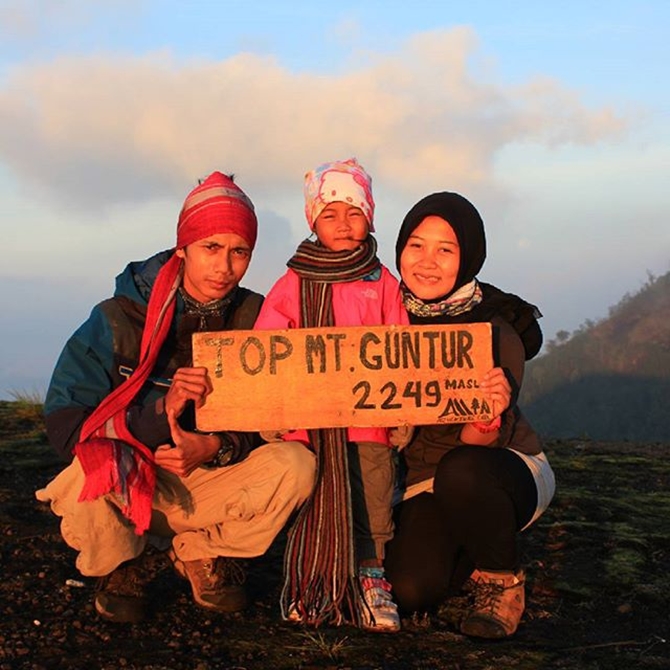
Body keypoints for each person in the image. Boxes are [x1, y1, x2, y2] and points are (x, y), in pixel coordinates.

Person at [36, 172, 317, 624]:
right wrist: (157, 417)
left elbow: (276, 415)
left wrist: (217, 446)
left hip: (210, 484)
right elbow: (66, 426)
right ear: (183, 246)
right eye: (210, 248)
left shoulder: (254, 317)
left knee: (297, 465)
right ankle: (124, 565)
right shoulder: (118, 318)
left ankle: (199, 553)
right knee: (80, 472)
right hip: (135, 480)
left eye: (239, 251)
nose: (224, 267)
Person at [385, 191, 555, 639]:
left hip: (495, 468)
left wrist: (486, 417)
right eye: (416, 245)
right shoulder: (381, 316)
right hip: (419, 483)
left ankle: (501, 580)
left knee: (461, 472)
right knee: (411, 590)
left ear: (469, 257)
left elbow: (477, 445)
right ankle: (466, 546)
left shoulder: (495, 329)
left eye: (446, 249)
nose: (427, 261)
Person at [254, 158, 408, 632]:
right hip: (310, 423)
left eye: (354, 212)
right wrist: (271, 412)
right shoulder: (293, 282)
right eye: (330, 213)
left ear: (371, 217)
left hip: (370, 420)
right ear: (313, 221)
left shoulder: (381, 281)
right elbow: (266, 353)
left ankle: (370, 578)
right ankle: (314, 581)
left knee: (375, 502)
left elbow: (402, 349)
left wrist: (404, 409)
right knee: (313, 500)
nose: (343, 223)